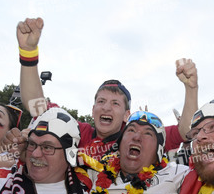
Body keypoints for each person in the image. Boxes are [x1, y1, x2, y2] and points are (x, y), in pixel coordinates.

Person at [15, 17, 198, 170]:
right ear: (93, 109)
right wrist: (28, 53)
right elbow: (37, 107)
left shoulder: (138, 138)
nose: (106, 107)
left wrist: (191, 89)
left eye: (115, 103)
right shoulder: (77, 131)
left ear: (127, 115)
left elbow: (187, 132)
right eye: (101, 101)